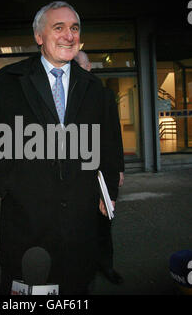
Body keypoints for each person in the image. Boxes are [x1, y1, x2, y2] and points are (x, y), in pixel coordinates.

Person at [0, 1, 120, 294]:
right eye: (59, 28)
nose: (69, 35)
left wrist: (108, 194)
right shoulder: (8, 82)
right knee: (28, 294)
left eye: (74, 28)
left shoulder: (95, 88)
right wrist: (10, 188)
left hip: (80, 225)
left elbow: (109, 146)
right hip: (27, 223)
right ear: (39, 37)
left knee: (76, 289)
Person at [74, 51, 125, 285]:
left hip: (101, 173)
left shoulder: (104, 95)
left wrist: (119, 170)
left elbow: (114, 136)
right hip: (74, 175)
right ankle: (82, 266)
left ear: (88, 68)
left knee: (103, 223)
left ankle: (105, 266)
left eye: (81, 65)